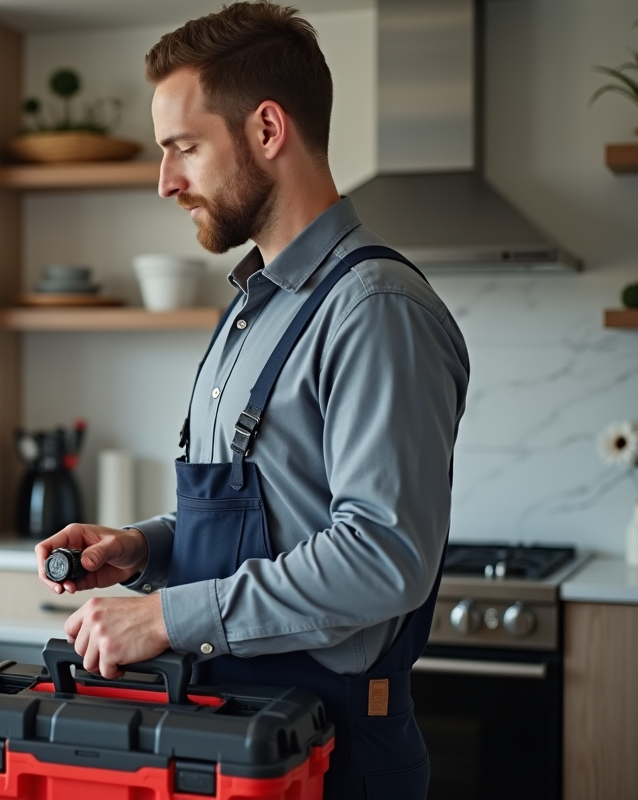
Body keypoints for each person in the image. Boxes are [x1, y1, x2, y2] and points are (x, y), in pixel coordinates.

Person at [34, 3, 470, 797]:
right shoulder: (252, 307)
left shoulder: (375, 309)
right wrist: (147, 550)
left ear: (268, 130)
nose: (166, 181)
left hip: (333, 754)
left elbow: (382, 556)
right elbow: (274, 508)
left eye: (185, 148)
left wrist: (166, 618)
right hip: (238, 735)